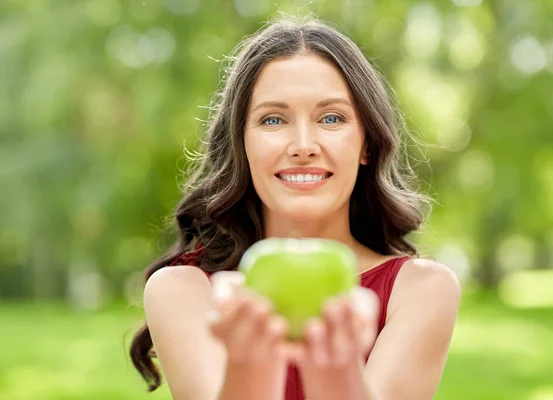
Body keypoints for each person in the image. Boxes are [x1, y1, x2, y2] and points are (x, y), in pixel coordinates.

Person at [129, 16, 461, 400]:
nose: (303, 145)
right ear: (242, 144)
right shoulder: (183, 292)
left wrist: (335, 369)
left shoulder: (422, 290)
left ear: (367, 144)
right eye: (273, 119)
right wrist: (250, 363)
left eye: (331, 118)